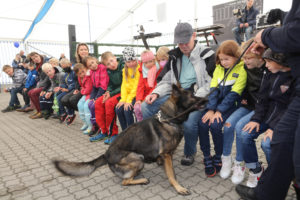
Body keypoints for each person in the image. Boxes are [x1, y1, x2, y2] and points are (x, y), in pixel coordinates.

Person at [235, 0, 300, 199]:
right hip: (269, 113)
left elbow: (296, 34)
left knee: (286, 148)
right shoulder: (268, 73)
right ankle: (266, 192)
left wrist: (266, 35)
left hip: (281, 110)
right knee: (282, 140)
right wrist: (283, 15)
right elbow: (262, 98)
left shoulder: (284, 75)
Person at [141, 22, 215, 166]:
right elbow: (167, 80)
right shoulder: (174, 57)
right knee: (146, 107)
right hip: (176, 96)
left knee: (188, 123)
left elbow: (210, 83)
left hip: (196, 97)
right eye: (179, 42)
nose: (183, 45)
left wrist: (194, 99)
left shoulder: (207, 55)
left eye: (185, 41)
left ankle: (189, 151)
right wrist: (155, 93)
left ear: (194, 35)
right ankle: (158, 147)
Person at [198, 40, 247, 177]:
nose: (224, 62)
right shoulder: (218, 69)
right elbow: (213, 90)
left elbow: (234, 94)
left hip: (231, 106)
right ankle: (207, 155)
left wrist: (218, 111)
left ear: (236, 56)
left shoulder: (242, 69)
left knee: (215, 125)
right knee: (202, 123)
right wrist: (210, 109)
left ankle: (219, 155)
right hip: (216, 106)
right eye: (221, 59)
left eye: (227, 59)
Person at [220, 38, 266, 183]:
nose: (246, 61)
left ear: (260, 57)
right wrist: (243, 98)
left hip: (259, 108)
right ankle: (226, 158)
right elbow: (243, 84)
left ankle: (240, 163)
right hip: (247, 106)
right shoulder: (245, 67)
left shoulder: (267, 70)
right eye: (244, 58)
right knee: (228, 125)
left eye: (249, 58)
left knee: (240, 127)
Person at [91, 51, 124, 144]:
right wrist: (108, 91)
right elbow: (110, 84)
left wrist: (111, 93)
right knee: (98, 102)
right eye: (108, 64)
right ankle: (104, 131)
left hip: (123, 92)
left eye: (112, 61)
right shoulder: (109, 71)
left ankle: (113, 133)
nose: (111, 65)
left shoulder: (123, 66)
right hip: (113, 92)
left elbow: (124, 85)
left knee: (109, 103)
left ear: (114, 57)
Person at [134, 50, 163, 122]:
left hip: (154, 93)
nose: (149, 64)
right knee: (137, 107)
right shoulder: (142, 71)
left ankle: (149, 123)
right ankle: (140, 122)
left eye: (151, 61)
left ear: (154, 60)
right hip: (145, 95)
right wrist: (138, 99)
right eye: (146, 63)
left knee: (147, 108)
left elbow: (156, 85)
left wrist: (147, 97)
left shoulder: (158, 69)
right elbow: (140, 86)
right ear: (143, 63)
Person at [115, 47, 140, 131]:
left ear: (136, 59)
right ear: (125, 62)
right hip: (128, 96)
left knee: (127, 109)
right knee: (118, 109)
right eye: (129, 62)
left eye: (133, 60)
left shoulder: (138, 69)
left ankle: (132, 132)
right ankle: (125, 131)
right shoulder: (124, 70)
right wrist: (123, 99)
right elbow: (124, 86)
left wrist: (128, 101)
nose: (131, 63)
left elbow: (136, 86)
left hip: (136, 95)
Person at [83, 56, 109, 134]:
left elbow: (103, 85)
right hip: (98, 90)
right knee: (90, 104)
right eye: (90, 66)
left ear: (95, 60)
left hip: (105, 90)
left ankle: (100, 125)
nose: (93, 65)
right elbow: (94, 86)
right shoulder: (91, 72)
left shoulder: (102, 68)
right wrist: (92, 97)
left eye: (92, 62)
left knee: (95, 105)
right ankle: (95, 124)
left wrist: (97, 97)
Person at [27, 52, 50, 119]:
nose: (35, 59)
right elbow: (41, 78)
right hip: (44, 84)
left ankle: (41, 111)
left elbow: (48, 78)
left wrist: (40, 86)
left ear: (39, 55)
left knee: (34, 93)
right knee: (29, 92)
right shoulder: (38, 65)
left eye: (36, 57)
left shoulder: (46, 63)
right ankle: (38, 110)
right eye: (33, 59)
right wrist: (38, 86)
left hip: (49, 85)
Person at [56, 58, 77, 125]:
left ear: (69, 65)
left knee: (63, 99)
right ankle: (63, 113)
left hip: (72, 89)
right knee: (57, 96)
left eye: (65, 67)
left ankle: (71, 114)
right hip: (67, 89)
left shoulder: (73, 73)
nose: (64, 68)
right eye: (63, 67)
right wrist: (61, 87)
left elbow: (75, 83)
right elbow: (65, 83)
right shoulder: (66, 74)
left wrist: (68, 89)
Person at [74, 63, 93, 134]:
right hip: (86, 94)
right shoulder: (80, 78)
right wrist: (83, 90)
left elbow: (88, 89)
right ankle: (85, 123)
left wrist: (82, 91)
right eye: (80, 73)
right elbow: (82, 87)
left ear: (85, 69)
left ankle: (90, 126)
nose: (82, 74)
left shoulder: (88, 77)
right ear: (77, 74)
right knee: (79, 105)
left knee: (86, 107)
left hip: (91, 94)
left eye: (83, 71)